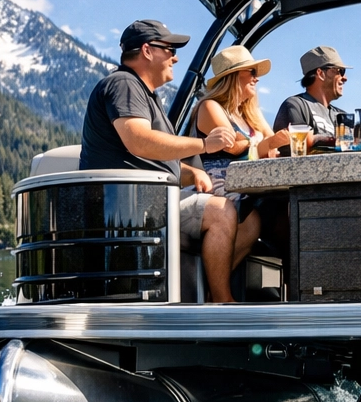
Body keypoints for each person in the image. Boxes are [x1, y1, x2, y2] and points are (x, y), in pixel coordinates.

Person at [78, 18, 243, 302]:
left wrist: (192, 174)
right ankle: (222, 303)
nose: (175, 57)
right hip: (130, 207)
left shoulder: (145, 95)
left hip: (146, 200)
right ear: (146, 50)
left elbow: (151, 158)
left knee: (240, 213)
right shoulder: (124, 84)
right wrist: (205, 143)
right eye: (169, 49)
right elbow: (139, 141)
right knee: (222, 210)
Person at [191, 45, 276, 302]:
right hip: (220, 185)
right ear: (232, 76)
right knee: (267, 215)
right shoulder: (210, 106)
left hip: (245, 187)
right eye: (250, 71)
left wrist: (262, 141)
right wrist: (260, 142)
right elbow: (232, 144)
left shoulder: (247, 113)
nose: (256, 78)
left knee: (258, 221)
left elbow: (273, 145)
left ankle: (215, 294)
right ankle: (222, 297)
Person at [272, 46, 349, 144]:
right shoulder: (295, 105)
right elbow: (297, 145)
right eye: (340, 71)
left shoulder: (342, 115)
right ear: (321, 73)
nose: (345, 78)